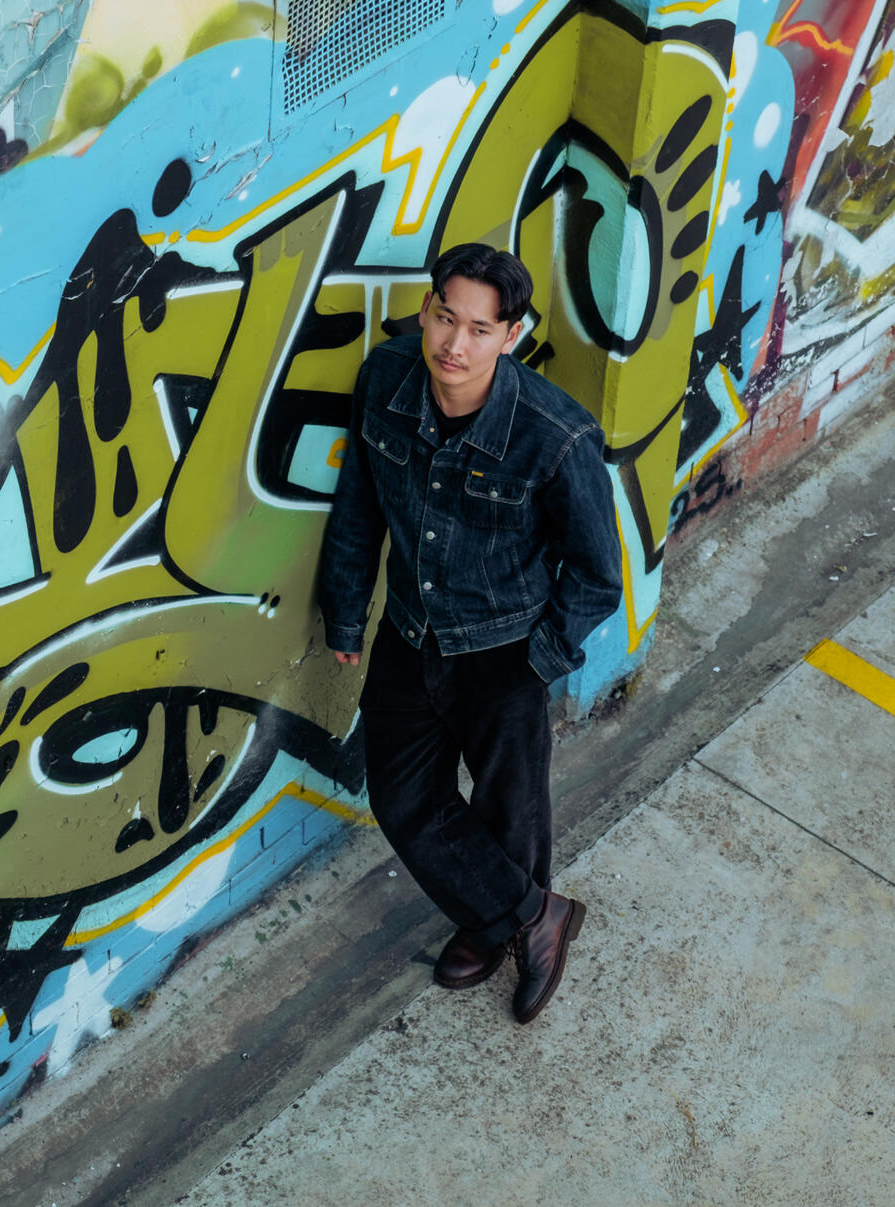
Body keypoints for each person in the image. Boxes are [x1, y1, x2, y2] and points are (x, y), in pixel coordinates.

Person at [317, 243, 622, 1024]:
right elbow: (357, 502)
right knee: (400, 796)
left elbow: (597, 572)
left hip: (502, 646)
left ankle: (498, 928)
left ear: (511, 336)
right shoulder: (385, 380)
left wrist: (538, 661)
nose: (455, 344)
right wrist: (347, 610)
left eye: (479, 329)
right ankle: (530, 914)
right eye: (445, 316)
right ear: (426, 310)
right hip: (409, 630)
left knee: (507, 806)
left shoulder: (555, 434)